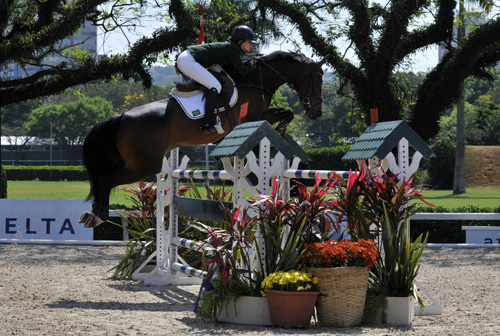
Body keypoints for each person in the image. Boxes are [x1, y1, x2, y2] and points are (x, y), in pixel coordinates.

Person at [177, 25, 259, 134]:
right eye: (249, 42)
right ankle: (207, 123)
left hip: (187, 58)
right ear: (240, 41)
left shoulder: (233, 49)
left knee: (215, 84)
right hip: (188, 61)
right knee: (215, 86)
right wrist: (255, 61)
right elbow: (243, 71)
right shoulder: (233, 49)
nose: (252, 44)